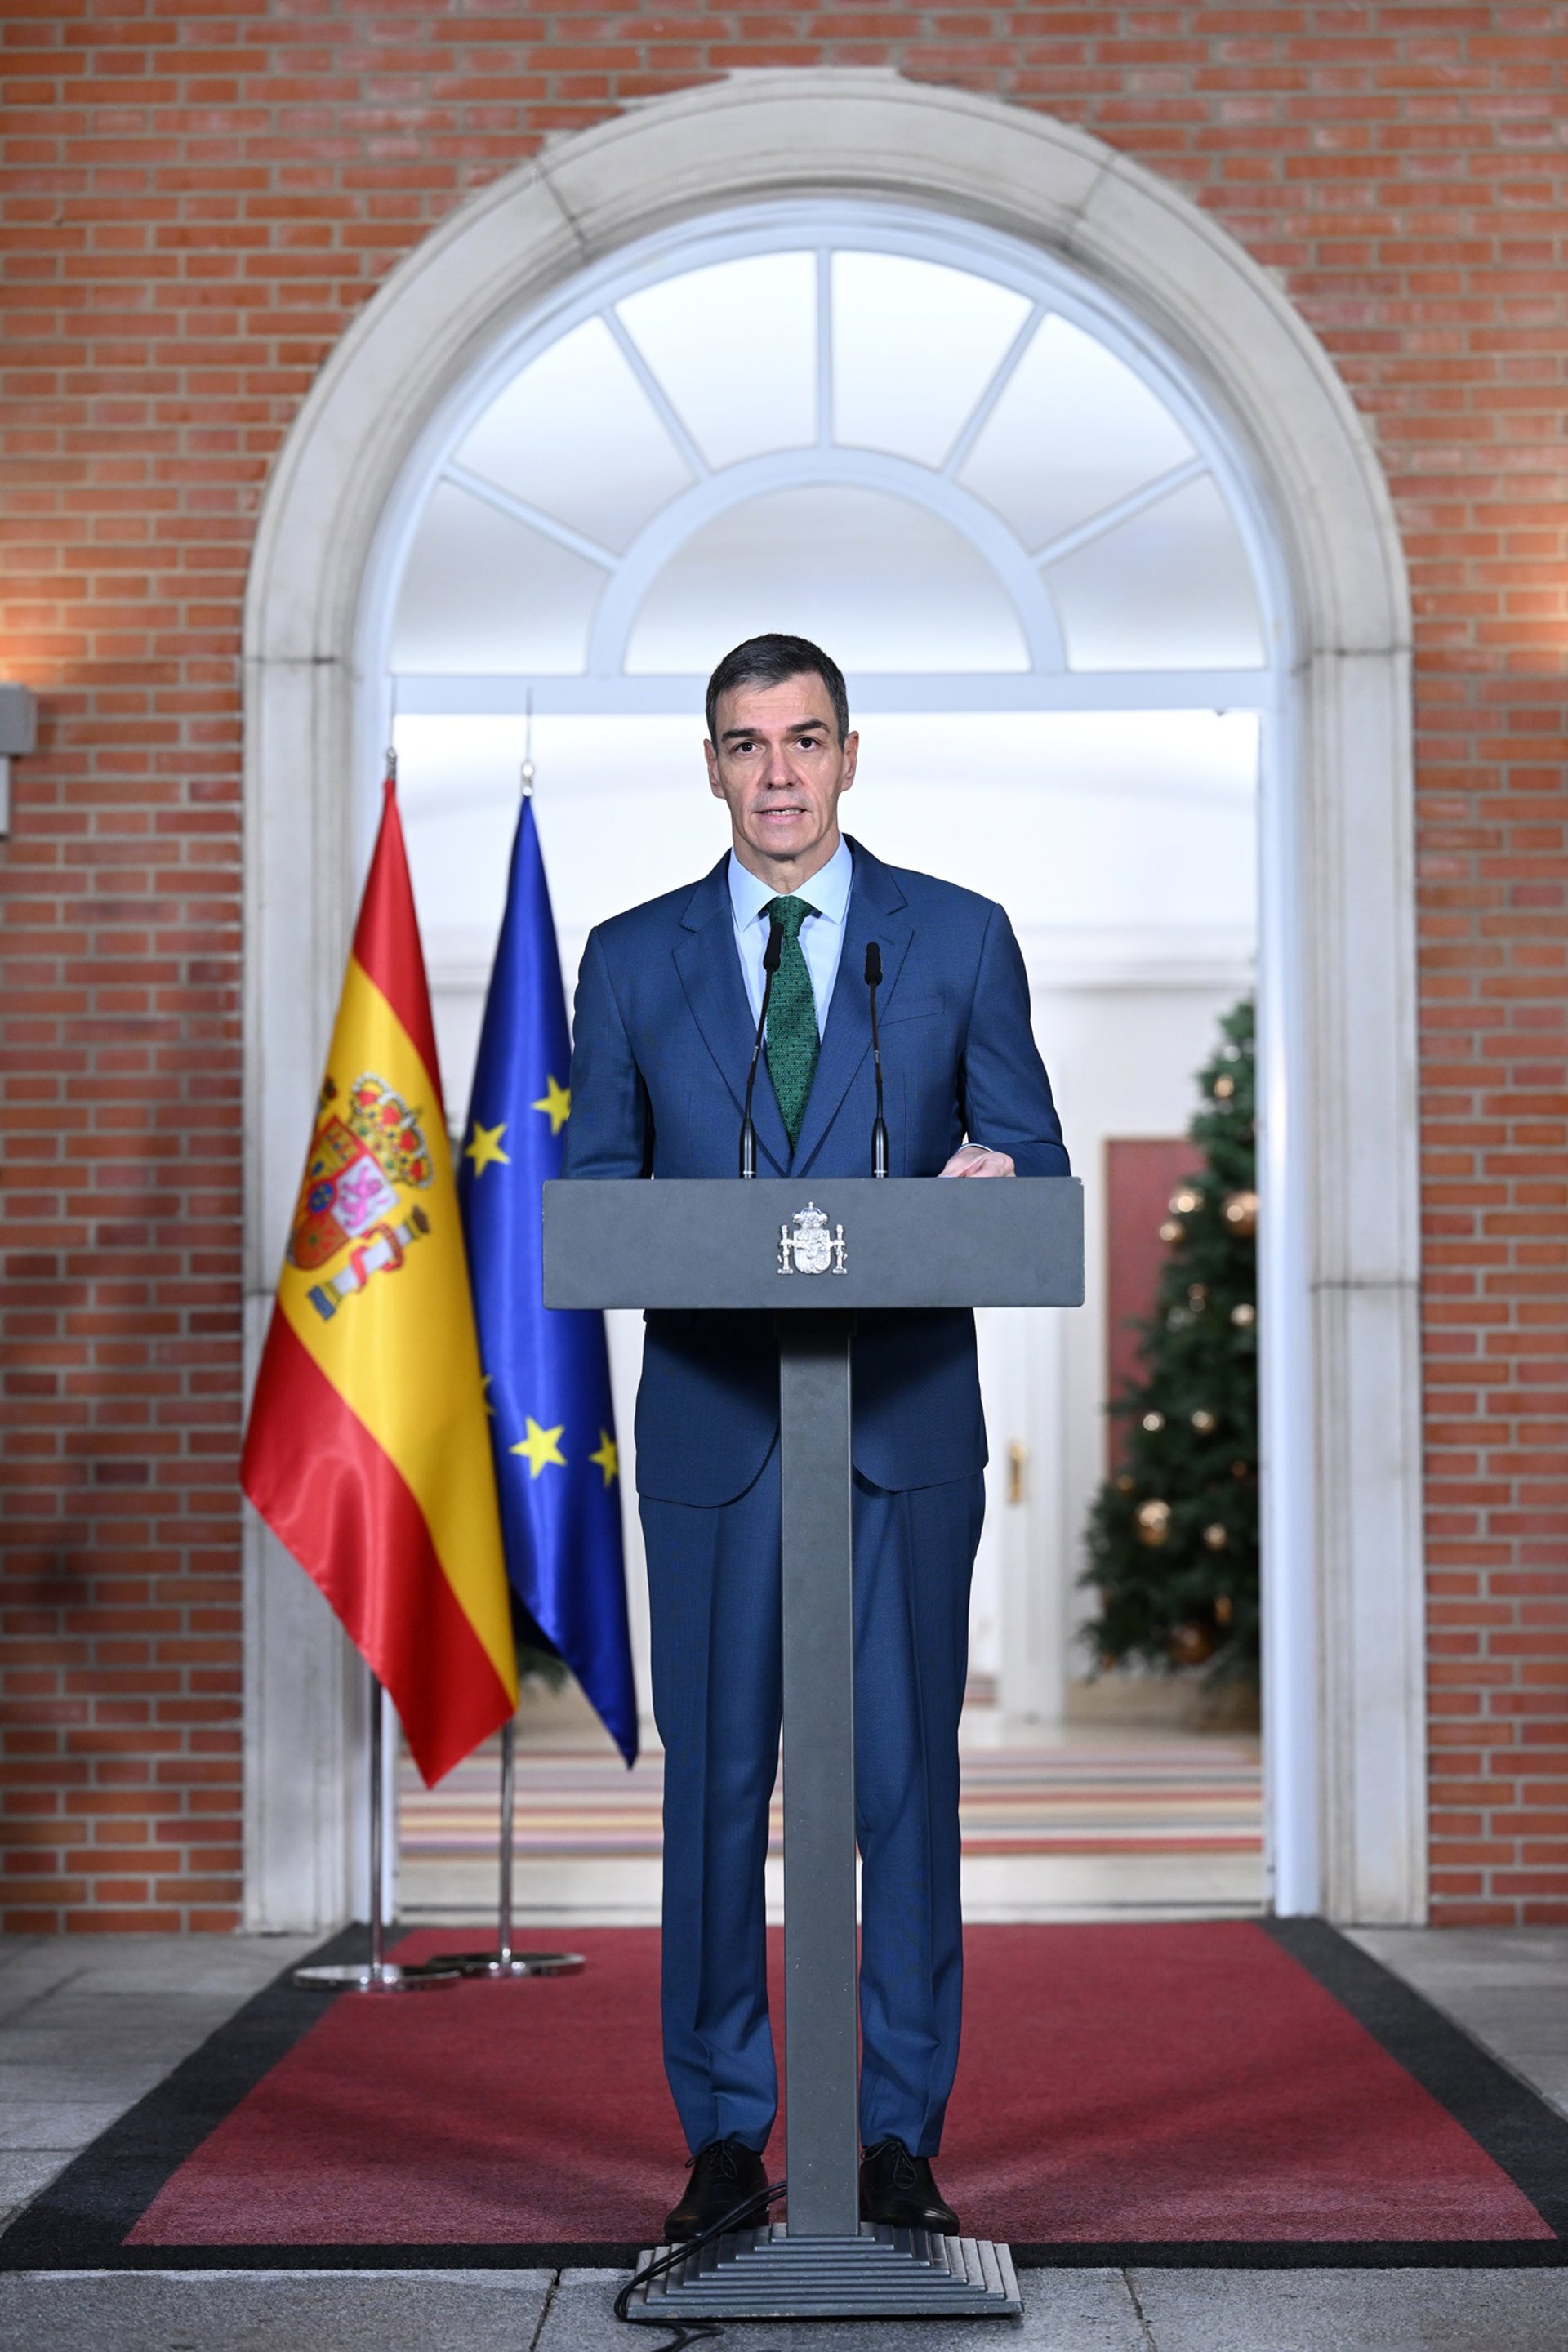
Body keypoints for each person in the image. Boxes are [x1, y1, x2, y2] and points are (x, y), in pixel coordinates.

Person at [564, 634, 1069, 2241]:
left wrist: (996, 1181)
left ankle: (899, 2138)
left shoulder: (960, 938)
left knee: (906, 1787)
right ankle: (725, 2136)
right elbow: (593, 1200)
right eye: (746, 743)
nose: (777, 772)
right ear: (710, 766)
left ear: (852, 754)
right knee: (716, 1788)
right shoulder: (628, 960)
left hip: (900, 1424)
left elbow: (1033, 1166)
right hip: (716, 1430)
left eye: (804, 739)